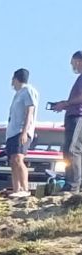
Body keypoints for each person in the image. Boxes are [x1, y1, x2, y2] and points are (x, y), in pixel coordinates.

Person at [47, 51, 82, 196]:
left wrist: (66, 103)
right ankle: (70, 182)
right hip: (72, 115)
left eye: (73, 62)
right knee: (67, 150)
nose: (72, 65)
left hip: (78, 116)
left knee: (73, 150)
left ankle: (73, 185)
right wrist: (63, 105)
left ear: (79, 61)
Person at [6, 67, 39, 198]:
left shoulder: (28, 90)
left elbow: (29, 111)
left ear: (15, 79)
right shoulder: (18, 94)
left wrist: (24, 132)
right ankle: (16, 189)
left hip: (21, 130)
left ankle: (25, 189)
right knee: (13, 160)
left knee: (19, 158)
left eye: (12, 79)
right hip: (12, 132)